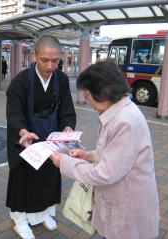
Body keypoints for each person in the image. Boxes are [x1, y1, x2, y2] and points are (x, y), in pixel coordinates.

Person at [50, 60, 160, 239]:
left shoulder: (125, 121)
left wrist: (65, 162)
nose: (87, 100)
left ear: (103, 93)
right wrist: (87, 155)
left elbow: (105, 173)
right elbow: (116, 156)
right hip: (122, 198)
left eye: (87, 94)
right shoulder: (118, 112)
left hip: (127, 206)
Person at [6, 35, 76, 239]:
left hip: (51, 139)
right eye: (45, 60)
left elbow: (67, 110)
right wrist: (23, 132)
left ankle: (45, 213)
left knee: (49, 178)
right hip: (26, 139)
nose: (50, 66)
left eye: (55, 61)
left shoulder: (61, 79)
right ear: (34, 55)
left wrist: (67, 127)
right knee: (24, 181)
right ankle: (20, 219)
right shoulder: (20, 81)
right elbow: (13, 114)